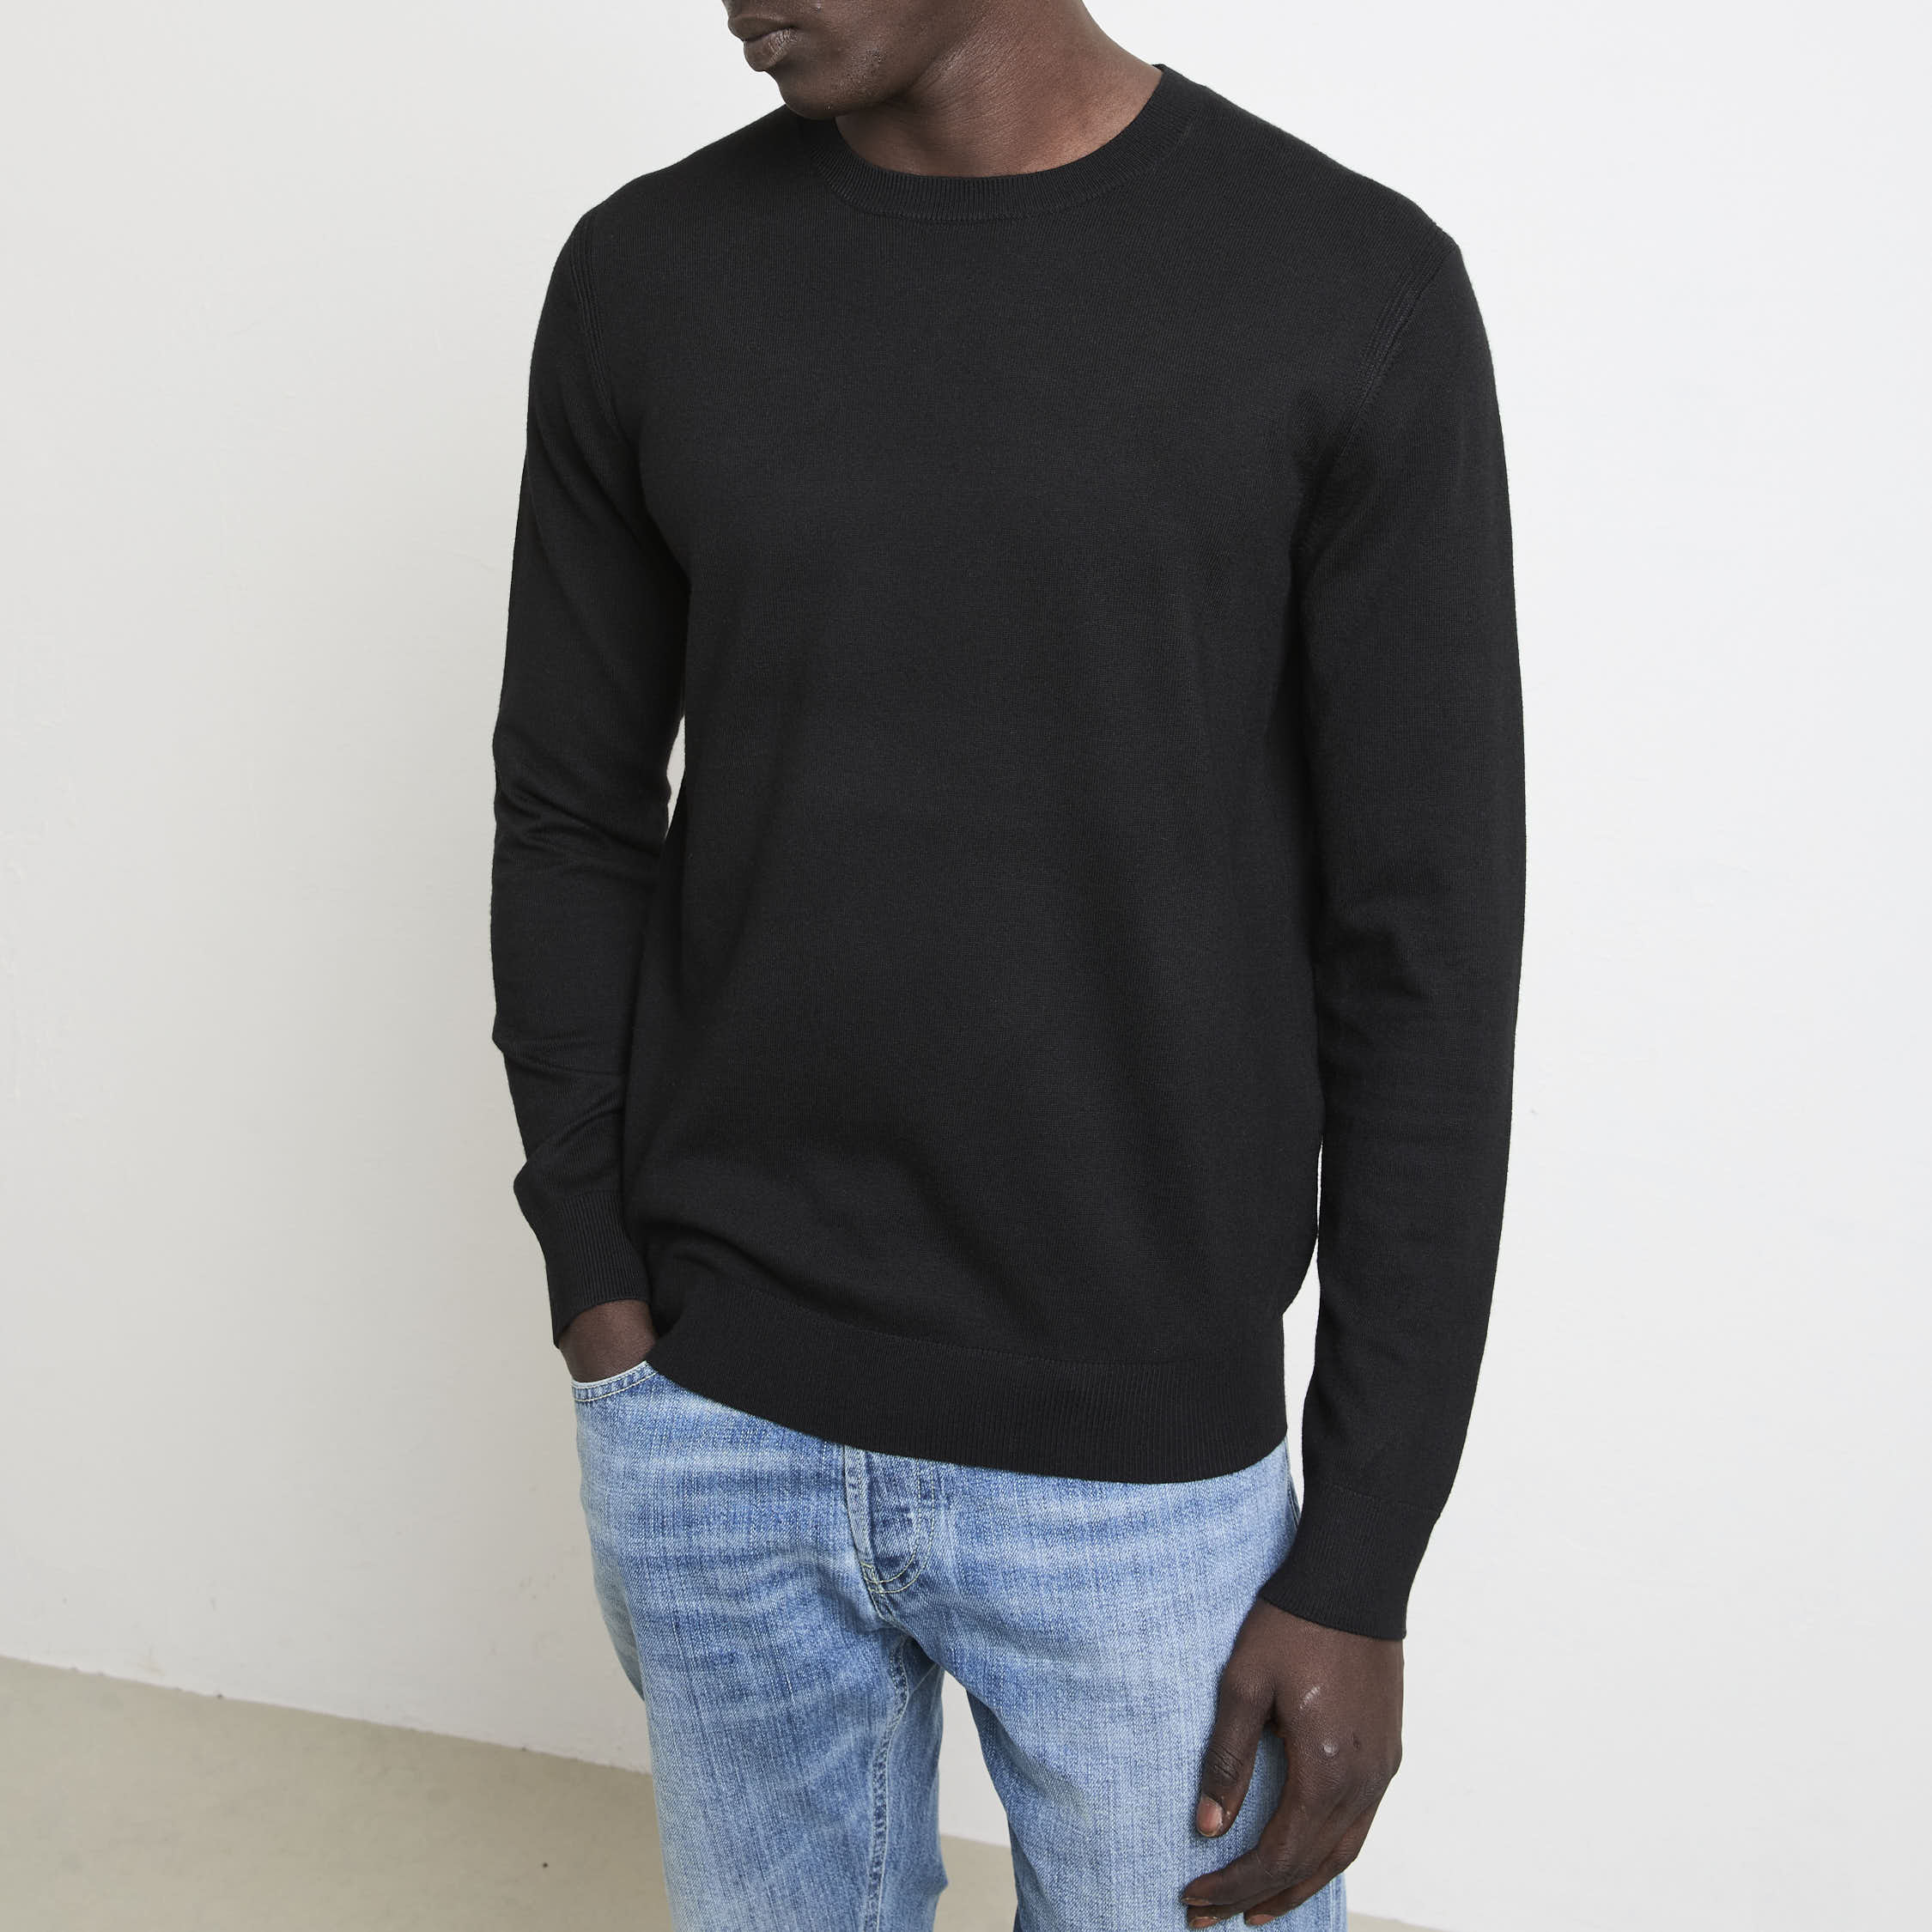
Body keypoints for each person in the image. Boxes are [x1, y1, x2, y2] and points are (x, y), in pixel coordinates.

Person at [489, 0, 1524, 1925]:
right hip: (717, 1423)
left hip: (1145, 1485)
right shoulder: (649, 276)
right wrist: (601, 1298)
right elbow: (569, 809)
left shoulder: (1345, 288)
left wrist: (1362, 1556)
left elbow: (1427, 959)